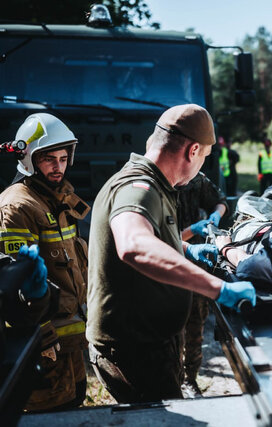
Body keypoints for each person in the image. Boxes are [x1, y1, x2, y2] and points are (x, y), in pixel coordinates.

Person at [86, 104, 256, 404]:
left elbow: (153, 238)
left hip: (149, 344)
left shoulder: (160, 186)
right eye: (204, 157)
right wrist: (219, 289)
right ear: (192, 151)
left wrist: (187, 249)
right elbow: (134, 244)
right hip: (134, 351)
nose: (202, 165)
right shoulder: (138, 187)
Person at [0, 113, 91, 411]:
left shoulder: (58, 198)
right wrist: (43, 336)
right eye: (49, 159)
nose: (58, 167)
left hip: (71, 340)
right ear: (29, 160)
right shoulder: (17, 206)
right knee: (49, 414)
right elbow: (17, 287)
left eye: (64, 158)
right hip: (44, 344)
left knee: (74, 403)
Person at [177, 171, 228, 398]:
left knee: (195, 327)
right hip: (170, 267)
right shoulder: (157, 184)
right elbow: (158, 240)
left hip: (198, 267)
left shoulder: (196, 179)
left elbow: (220, 201)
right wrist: (191, 231)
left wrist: (216, 215)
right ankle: (172, 380)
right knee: (171, 331)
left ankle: (189, 380)